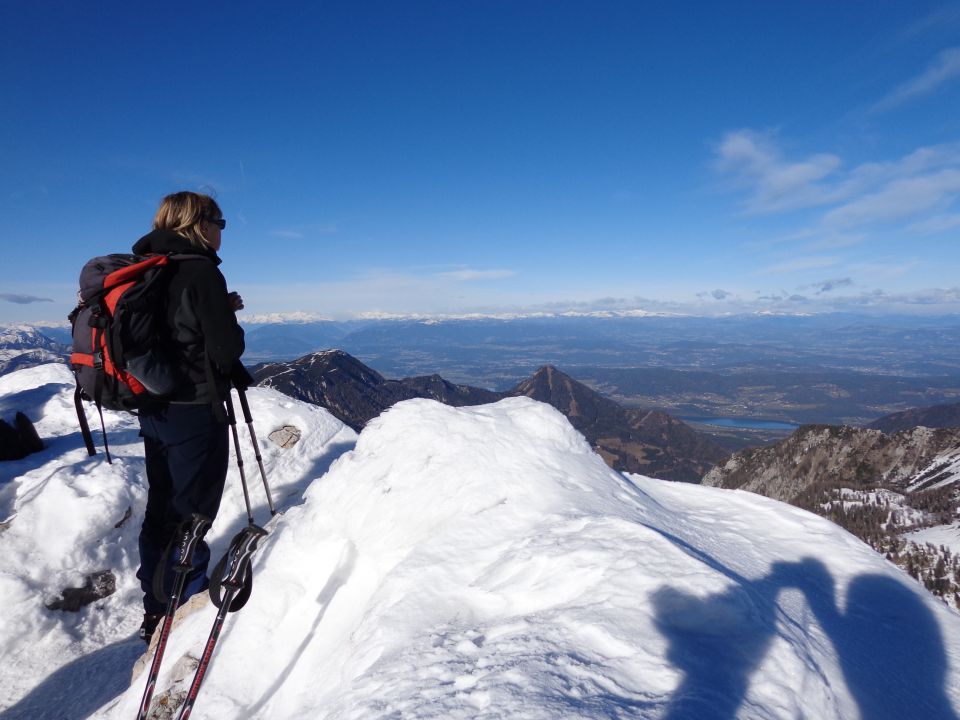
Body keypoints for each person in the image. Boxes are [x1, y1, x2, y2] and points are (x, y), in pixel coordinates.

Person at [131, 191, 248, 643]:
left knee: (162, 506)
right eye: (219, 221)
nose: (222, 230)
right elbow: (225, 349)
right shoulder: (199, 271)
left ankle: (156, 603)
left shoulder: (149, 265)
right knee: (193, 512)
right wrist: (227, 319)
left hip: (153, 406)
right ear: (200, 223)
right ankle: (186, 606)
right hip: (194, 409)